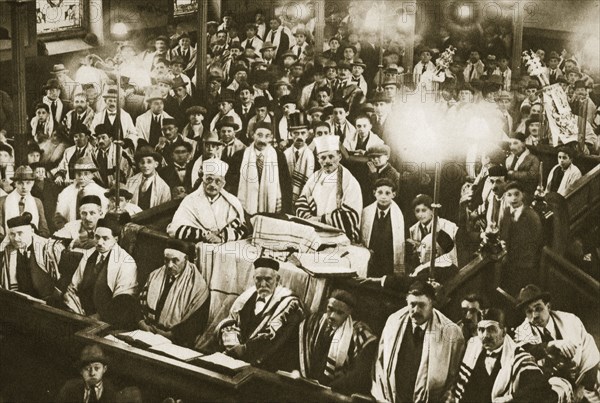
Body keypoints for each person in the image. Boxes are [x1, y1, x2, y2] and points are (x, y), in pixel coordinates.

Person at [372, 280, 464, 402]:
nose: (416, 310)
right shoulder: (394, 322)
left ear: (432, 304)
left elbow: (455, 376)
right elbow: (379, 362)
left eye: (421, 305)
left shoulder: (451, 332)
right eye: (412, 304)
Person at [452, 308, 559, 402]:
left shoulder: (518, 358)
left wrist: (511, 397)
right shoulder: (471, 350)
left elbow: (542, 388)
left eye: (491, 329)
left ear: (504, 331)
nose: (485, 336)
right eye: (481, 330)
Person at [514, 284, 600, 401]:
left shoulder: (571, 321)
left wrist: (581, 387)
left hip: (580, 382)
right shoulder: (522, 331)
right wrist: (551, 345)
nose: (534, 316)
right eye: (529, 311)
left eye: (538, 308)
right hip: (549, 388)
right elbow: (525, 353)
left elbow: (590, 352)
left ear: (548, 307)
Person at [216, 257, 304, 370]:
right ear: (253, 278)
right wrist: (232, 344)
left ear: (277, 279)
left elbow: (274, 339)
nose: (263, 284)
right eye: (258, 279)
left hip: (268, 364)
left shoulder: (290, 305)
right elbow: (231, 322)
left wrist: (244, 349)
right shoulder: (246, 298)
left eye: (268, 279)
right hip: (237, 360)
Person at [298, 290, 377, 395]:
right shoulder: (314, 323)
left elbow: (359, 373)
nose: (332, 316)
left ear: (349, 313)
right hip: (307, 385)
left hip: (336, 392)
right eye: (330, 309)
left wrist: (330, 390)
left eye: (340, 313)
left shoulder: (358, 333)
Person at [64, 216, 138, 327]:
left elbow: (122, 301)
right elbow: (73, 287)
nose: (99, 242)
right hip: (81, 314)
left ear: (116, 239)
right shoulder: (88, 255)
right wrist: (76, 312)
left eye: (105, 238)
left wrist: (98, 317)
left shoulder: (126, 262)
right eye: (97, 237)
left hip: (108, 320)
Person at [138, 239, 210, 347]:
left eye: (175, 260)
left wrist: (170, 335)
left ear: (185, 259)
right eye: (166, 260)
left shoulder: (198, 286)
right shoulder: (154, 275)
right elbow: (141, 303)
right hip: (147, 332)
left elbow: (196, 322)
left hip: (175, 340)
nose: (169, 265)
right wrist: (142, 324)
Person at [296, 135, 362, 242]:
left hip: (337, 235)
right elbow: (301, 201)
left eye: (331, 157)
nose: (327, 161)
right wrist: (309, 218)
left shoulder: (349, 181)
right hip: (314, 233)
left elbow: (351, 215)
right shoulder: (315, 177)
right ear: (318, 159)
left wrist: (320, 220)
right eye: (323, 157)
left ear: (339, 157)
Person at [167, 158, 247, 243]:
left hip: (224, 245)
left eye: (218, 181)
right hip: (197, 245)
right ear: (203, 180)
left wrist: (221, 237)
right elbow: (173, 229)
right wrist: (205, 235)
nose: (212, 185)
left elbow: (241, 227)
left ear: (223, 184)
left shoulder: (232, 202)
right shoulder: (190, 200)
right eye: (209, 179)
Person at [0, 213, 61, 301]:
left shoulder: (50, 248)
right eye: (12, 234)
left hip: (49, 302)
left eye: (20, 233)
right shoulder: (8, 251)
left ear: (31, 231)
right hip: (21, 302)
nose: (16, 239)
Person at [236, 122, 293, 214]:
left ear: (271, 137)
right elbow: (233, 184)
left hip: (271, 209)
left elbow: (285, 185)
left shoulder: (279, 156)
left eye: (267, 136)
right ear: (252, 135)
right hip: (246, 209)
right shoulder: (240, 156)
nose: (263, 140)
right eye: (259, 135)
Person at [498, 181, 542, 294]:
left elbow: (536, 243)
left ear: (522, 195)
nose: (513, 198)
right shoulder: (507, 212)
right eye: (509, 195)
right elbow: (503, 234)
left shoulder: (532, 216)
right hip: (509, 264)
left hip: (525, 266)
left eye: (517, 194)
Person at [361, 178, 405, 277]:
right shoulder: (366, 212)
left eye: (387, 193)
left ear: (393, 194)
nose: (383, 197)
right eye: (380, 192)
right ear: (374, 193)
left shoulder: (399, 216)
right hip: (371, 259)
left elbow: (400, 244)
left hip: (388, 261)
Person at [54, 157, 108, 229]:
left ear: (92, 175)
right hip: (70, 231)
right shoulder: (66, 192)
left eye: (86, 174)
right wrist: (65, 229)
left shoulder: (101, 193)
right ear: (74, 175)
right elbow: (59, 215)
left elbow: (103, 216)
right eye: (78, 174)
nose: (82, 177)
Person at [407, 194, 458, 269]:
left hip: (445, 266)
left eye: (424, 210)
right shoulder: (413, 229)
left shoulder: (447, 225)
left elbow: (451, 250)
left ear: (432, 211)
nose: (420, 214)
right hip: (425, 267)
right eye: (417, 211)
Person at [0, 166, 50, 238]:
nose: (24, 186)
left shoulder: (37, 202)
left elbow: (44, 230)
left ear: (33, 183)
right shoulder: (2, 201)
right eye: (20, 183)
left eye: (28, 183)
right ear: (15, 183)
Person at [284, 112, 315, 204]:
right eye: (296, 133)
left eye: (302, 133)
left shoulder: (311, 155)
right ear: (290, 134)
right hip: (287, 194)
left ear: (307, 135)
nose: (299, 137)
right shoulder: (285, 154)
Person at [92, 124, 133, 189]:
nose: (100, 141)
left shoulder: (120, 153)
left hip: (118, 189)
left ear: (111, 139)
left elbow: (128, 175)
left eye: (103, 137)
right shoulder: (94, 154)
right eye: (98, 138)